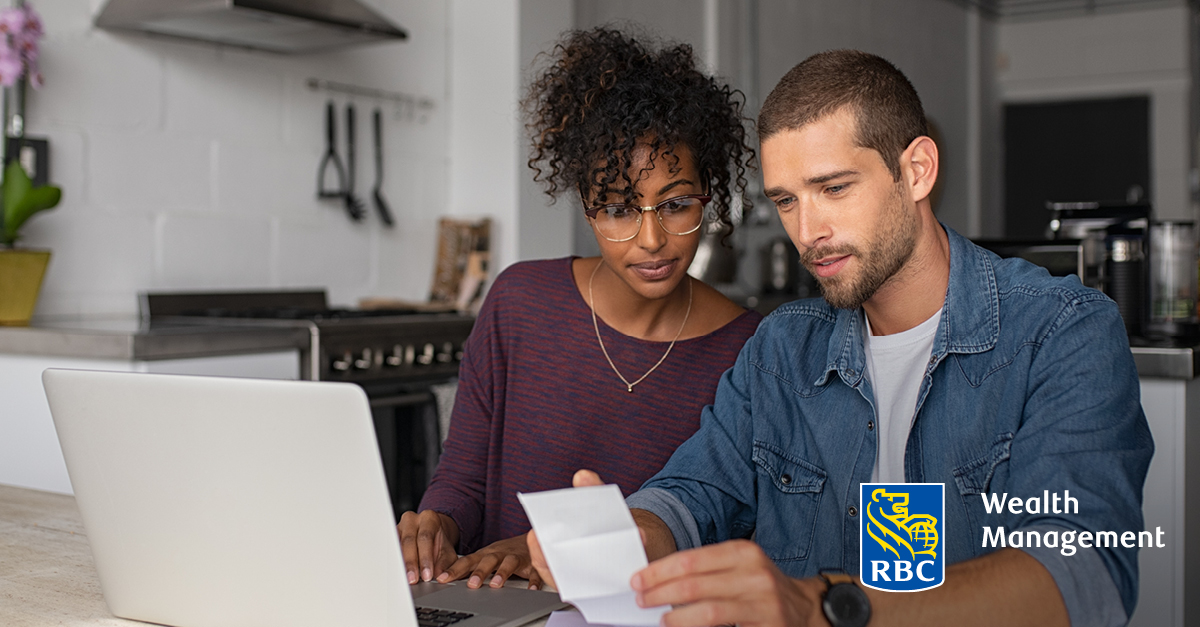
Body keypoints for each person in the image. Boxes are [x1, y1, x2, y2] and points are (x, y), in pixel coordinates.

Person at [530, 49, 1153, 627]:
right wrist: (631, 533)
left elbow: (1081, 576)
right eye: (786, 200)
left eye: (833, 188)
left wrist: (822, 607)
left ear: (916, 171)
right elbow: (697, 491)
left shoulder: (1063, 331)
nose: (809, 231)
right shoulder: (783, 350)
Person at [398, 28, 762, 591]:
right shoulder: (519, 303)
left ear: (708, 198)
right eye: (618, 208)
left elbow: (722, 528)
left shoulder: (749, 350)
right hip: (499, 607)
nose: (650, 239)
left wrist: (546, 551)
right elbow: (464, 481)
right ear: (588, 209)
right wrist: (436, 525)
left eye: (677, 204)